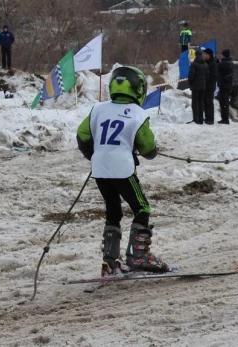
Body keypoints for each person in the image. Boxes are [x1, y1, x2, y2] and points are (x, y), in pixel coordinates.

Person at [75, 66, 168, 276]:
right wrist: (151, 151)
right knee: (142, 207)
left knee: (113, 210)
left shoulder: (98, 109)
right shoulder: (137, 113)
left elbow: (82, 136)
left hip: (99, 169)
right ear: (138, 89)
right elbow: (147, 147)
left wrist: (96, 155)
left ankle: (110, 259)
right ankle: (138, 255)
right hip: (123, 169)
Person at [188, 49, 208, 124]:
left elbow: (191, 75)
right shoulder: (205, 65)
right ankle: (200, 119)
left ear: (196, 55)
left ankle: (196, 119)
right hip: (203, 86)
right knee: (201, 102)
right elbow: (207, 75)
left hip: (195, 86)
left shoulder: (194, 64)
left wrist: (190, 83)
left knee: (195, 103)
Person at [217, 48, 233, 124]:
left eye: (222, 55)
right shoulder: (229, 62)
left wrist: (216, 62)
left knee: (224, 102)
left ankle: (225, 118)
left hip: (224, 85)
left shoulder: (225, 63)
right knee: (224, 102)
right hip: (226, 85)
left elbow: (218, 68)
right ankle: (224, 118)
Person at [203, 48, 218, 125]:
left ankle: (210, 118)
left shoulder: (213, 63)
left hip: (210, 86)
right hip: (204, 86)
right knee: (205, 102)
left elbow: (213, 75)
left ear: (208, 55)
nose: (203, 55)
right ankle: (207, 117)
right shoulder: (205, 63)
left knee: (209, 102)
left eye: (204, 54)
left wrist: (207, 78)